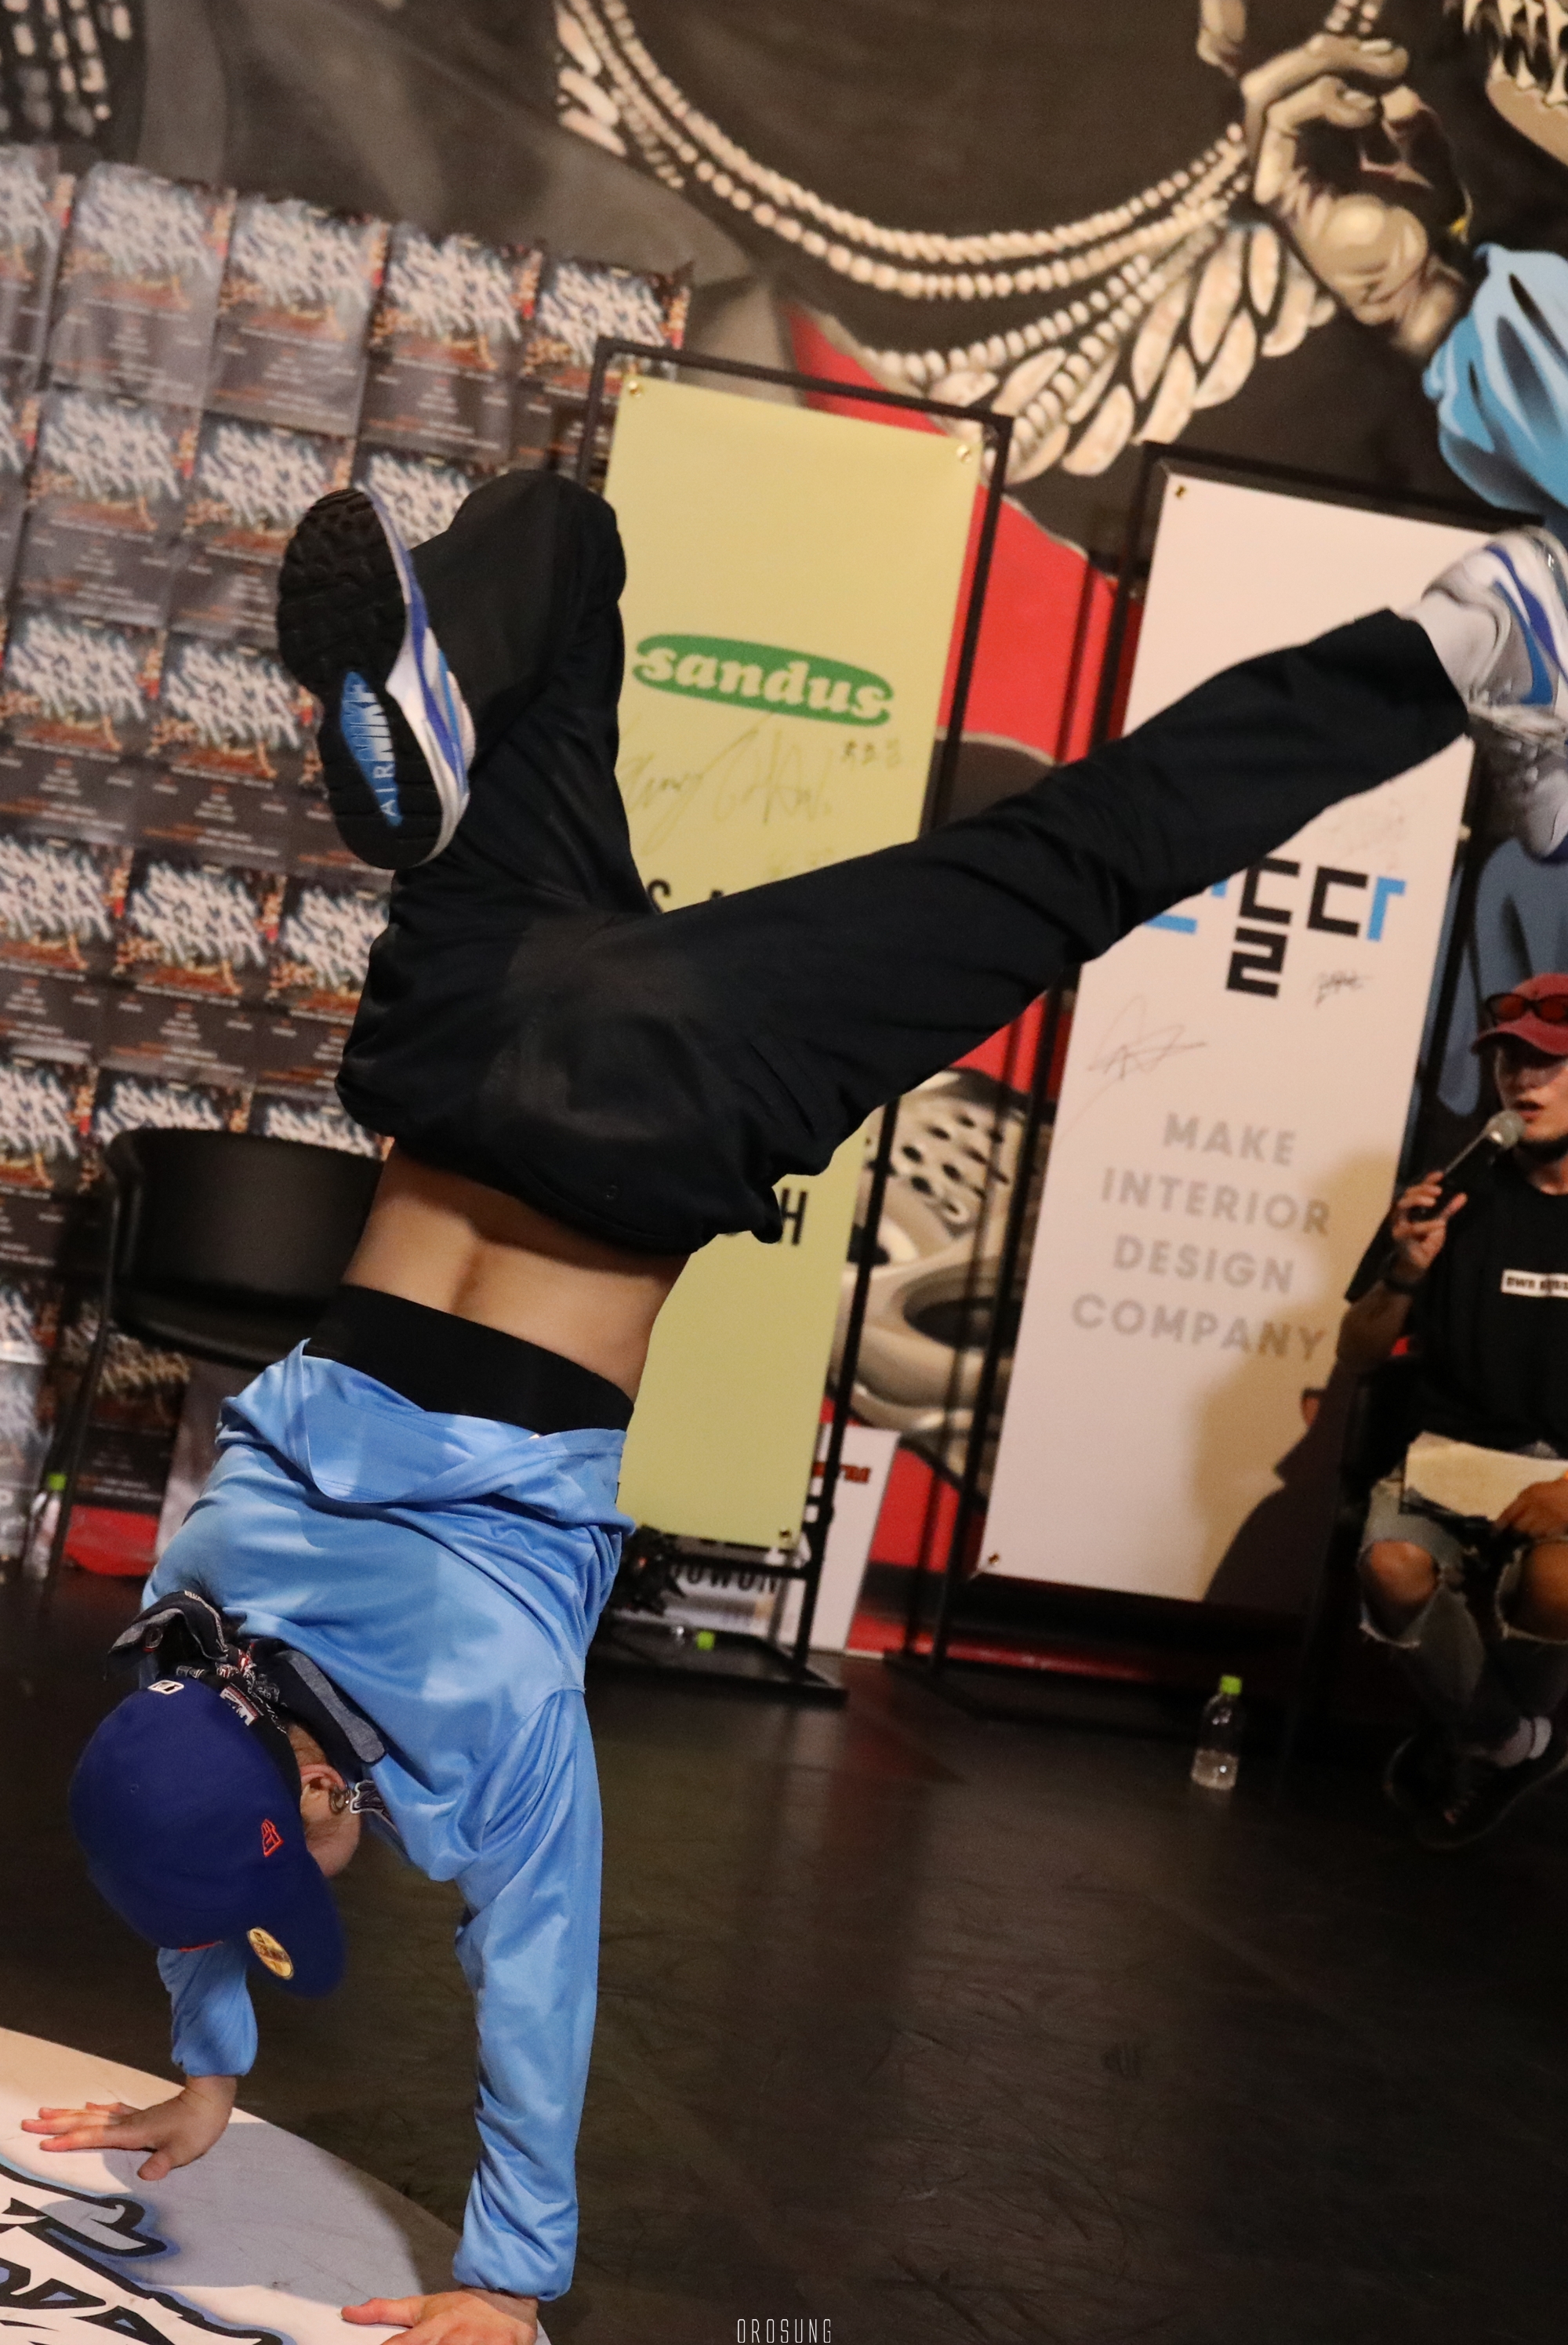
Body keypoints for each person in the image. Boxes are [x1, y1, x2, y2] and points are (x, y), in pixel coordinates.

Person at [27, 472, 1568, 2343]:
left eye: (302, 1864)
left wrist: (508, 2276)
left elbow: (534, 1965)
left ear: (322, 1781)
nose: (314, 1888)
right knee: (572, 536)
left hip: (662, 1102)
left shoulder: (475, 1698)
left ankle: (1461, 634)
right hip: (463, 1025)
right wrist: (206, 2063)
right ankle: (447, 666)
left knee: (1073, 859)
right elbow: (189, 1804)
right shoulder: (192, 1592)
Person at [1342, 971, 1568, 1850]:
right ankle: (1512, 1741)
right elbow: (1358, 1351)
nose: (1523, 1081)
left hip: (1562, 1469)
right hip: (1449, 1454)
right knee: (1391, 1568)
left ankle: (1474, 1732)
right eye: (1510, 1061)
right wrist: (1404, 1268)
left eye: (1548, 1062)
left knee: (1559, 1584)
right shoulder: (1452, 1193)